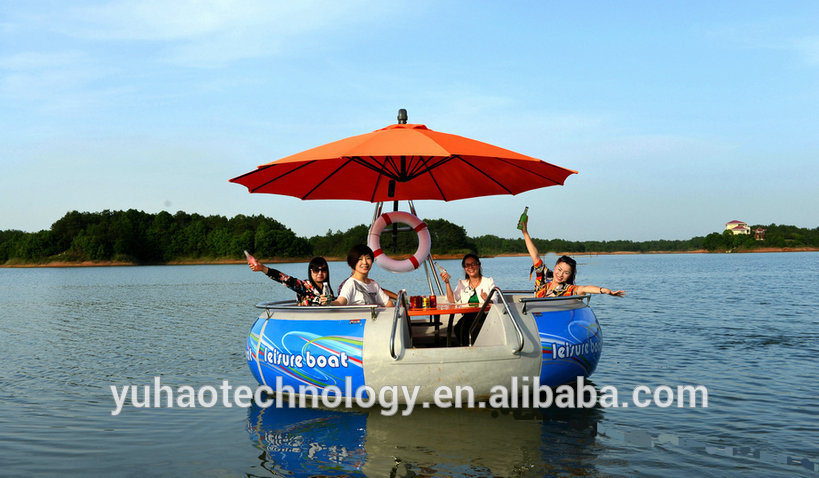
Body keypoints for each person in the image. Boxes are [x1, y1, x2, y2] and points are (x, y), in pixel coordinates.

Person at [521, 216, 625, 298]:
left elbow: (584, 288)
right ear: (555, 266)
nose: (560, 274)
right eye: (559, 269)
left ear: (570, 275)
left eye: (566, 273)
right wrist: (525, 232)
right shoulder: (544, 275)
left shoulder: (568, 289)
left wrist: (606, 291)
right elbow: (535, 255)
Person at [439, 253, 496, 345]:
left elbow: (495, 301)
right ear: (465, 268)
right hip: (467, 317)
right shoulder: (462, 283)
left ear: (479, 265)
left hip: (484, 317)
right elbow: (451, 301)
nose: (471, 267)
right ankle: (466, 350)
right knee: (458, 328)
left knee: (473, 328)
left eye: (473, 264)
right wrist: (447, 283)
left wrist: (487, 299)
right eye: (467, 265)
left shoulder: (488, 281)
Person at [248, 254, 334, 306]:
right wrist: (263, 268)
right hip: (306, 322)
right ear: (310, 271)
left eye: (323, 270)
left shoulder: (327, 289)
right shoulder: (304, 286)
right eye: (316, 270)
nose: (320, 273)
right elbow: (284, 279)